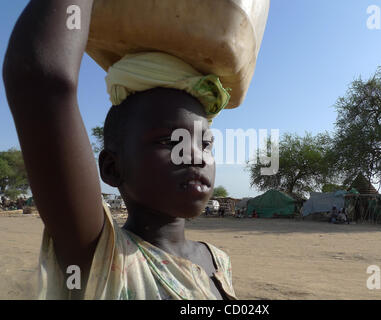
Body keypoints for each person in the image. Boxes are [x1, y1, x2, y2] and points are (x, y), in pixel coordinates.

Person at [3, 0, 235, 300]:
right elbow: (39, 77)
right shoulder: (100, 257)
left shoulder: (218, 261)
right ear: (112, 168)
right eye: (168, 141)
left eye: (205, 144)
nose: (194, 156)